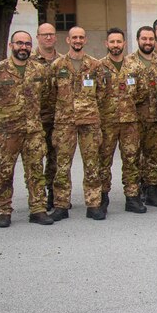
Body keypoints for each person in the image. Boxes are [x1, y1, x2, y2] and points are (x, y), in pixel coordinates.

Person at [0, 30, 54, 227]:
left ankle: (38, 208)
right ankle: (4, 210)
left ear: (31, 46)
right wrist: (5, 115)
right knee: (5, 171)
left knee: (36, 170)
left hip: (33, 131)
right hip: (7, 131)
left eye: (27, 44)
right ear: (11, 46)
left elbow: (46, 97)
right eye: (19, 43)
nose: (23, 47)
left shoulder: (39, 70)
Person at [47, 26, 104, 220]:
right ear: (68, 40)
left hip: (90, 122)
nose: (78, 40)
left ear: (85, 40)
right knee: (62, 165)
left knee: (92, 164)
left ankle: (94, 203)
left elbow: (102, 93)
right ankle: (61, 205)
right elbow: (50, 94)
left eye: (81, 37)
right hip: (65, 122)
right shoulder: (57, 66)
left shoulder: (95, 66)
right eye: (74, 38)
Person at [96, 28, 149, 215]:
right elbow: (93, 95)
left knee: (131, 159)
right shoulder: (98, 67)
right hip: (107, 122)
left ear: (124, 44)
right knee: (104, 160)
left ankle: (132, 197)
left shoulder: (135, 67)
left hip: (130, 122)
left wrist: (128, 105)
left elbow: (143, 93)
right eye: (112, 42)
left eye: (119, 42)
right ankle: (102, 197)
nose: (116, 45)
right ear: (106, 44)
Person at [132, 26, 157, 207]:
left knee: (153, 155)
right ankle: (135, 191)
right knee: (134, 155)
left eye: (150, 39)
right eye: (144, 39)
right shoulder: (128, 62)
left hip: (155, 118)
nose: (147, 42)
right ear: (138, 40)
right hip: (134, 118)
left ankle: (152, 190)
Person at [32, 23, 62, 206]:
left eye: (51, 34)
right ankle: (38, 197)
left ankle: (53, 193)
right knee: (35, 160)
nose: (48, 38)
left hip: (59, 119)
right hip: (35, 120)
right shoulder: (28, 61)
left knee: (56, 159)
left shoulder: (63, 61)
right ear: (38, 37)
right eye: (44, 35)